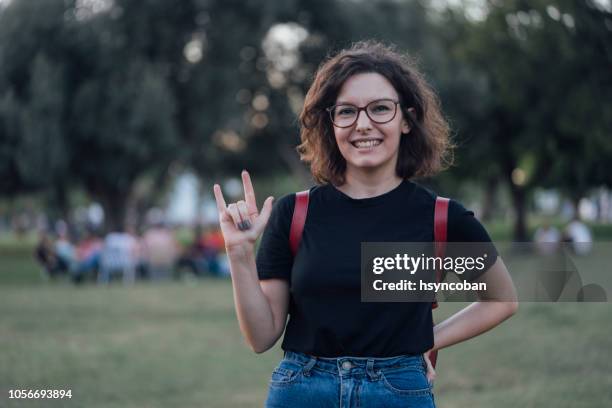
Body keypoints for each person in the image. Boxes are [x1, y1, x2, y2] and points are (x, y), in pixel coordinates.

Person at [213, 41, 518, 408]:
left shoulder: (442, 218)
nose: (363, 124)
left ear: (406, 119)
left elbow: (501, 299)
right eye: (347, 111)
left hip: (399, 392)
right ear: (331, 123)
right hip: (302, 391)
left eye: (380, 109)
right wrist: (239, 253)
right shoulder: (295, 213)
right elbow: (261, 337)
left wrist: (430, 338)